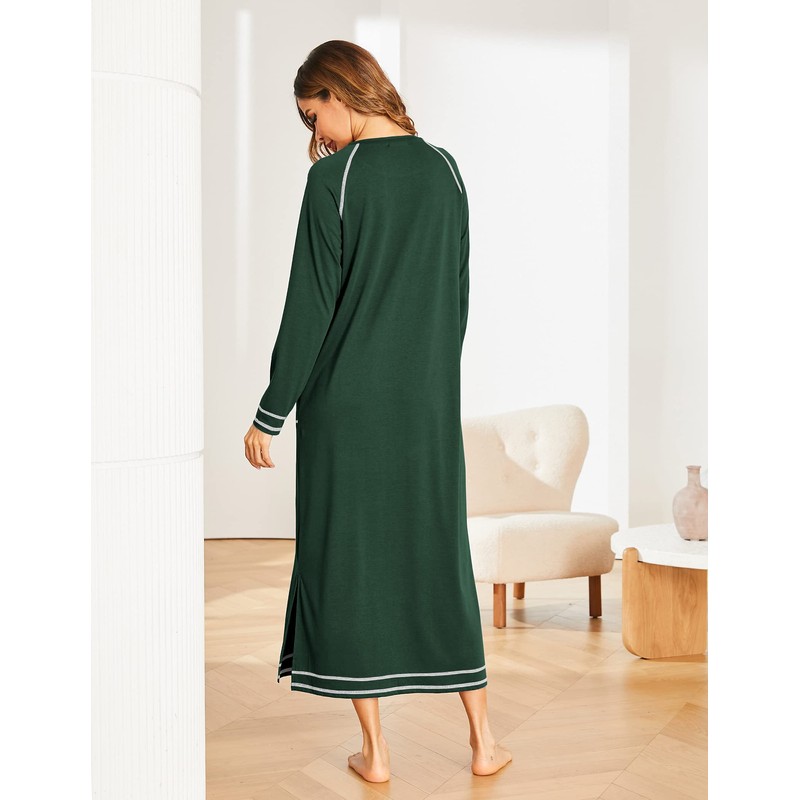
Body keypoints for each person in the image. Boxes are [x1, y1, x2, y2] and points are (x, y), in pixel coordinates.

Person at [243, 40, 512, 782]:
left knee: (348, 564)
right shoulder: (446, 170)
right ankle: (484, 742)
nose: (316, 132)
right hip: (425, 407)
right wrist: (431, 383)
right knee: (438, 556)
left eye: (314, 113)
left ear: (339, 91)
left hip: (346, 412)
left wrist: (271, 411)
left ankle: (378, 752)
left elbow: (309, 306)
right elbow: (456, 296)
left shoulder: (334, 179)